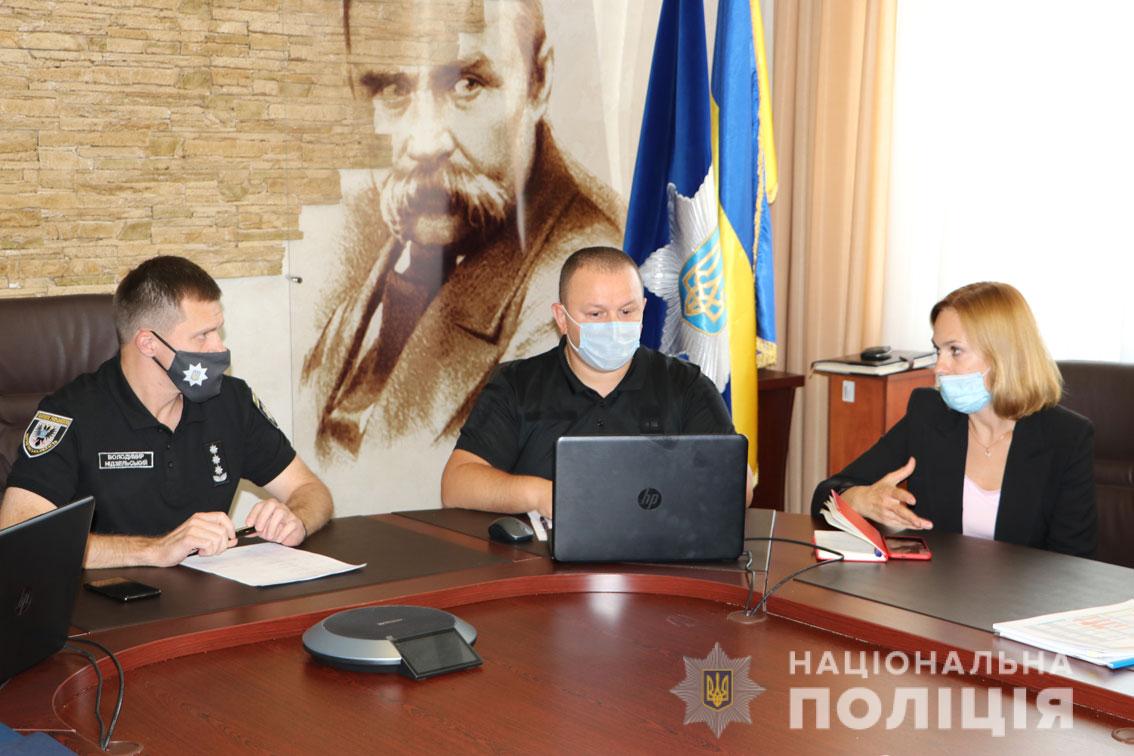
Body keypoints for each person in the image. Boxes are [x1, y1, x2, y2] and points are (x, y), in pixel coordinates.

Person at [301, 0, 624, 456]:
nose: (424, 142)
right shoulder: (387, 244)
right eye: (393, 88)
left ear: (538, 81)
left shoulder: (578, 288)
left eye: (466, 84)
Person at [0, 256, 333, 568]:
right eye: (202, 336)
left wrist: (296, 519)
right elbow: (19, 536)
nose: (219, 347)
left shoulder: (230, 400)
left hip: (210, 592)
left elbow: (310, 490)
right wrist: (154, 549)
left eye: (218, 330)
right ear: (148, 343)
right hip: (104, 600)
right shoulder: (70, 413)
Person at [441, 246, 753, 518]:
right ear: (562, 318)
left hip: (659, 553)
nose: (614, 325)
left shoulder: (686, 384)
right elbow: (456, 486)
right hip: (540, 560)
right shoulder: (516, 383)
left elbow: (739, 486)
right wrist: (541, 495)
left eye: (627, 311)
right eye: (596, 314)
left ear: (643, 309)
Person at [811, 282, 1096, 557]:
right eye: (938, 350)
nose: (939, 367)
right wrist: (860, 499)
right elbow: (824, 494)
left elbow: (1074, 563)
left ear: (1003, 355)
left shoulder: (1067, 438)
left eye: (955, 351)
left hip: (1026, 592)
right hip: (938, 588)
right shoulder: (928, 414)